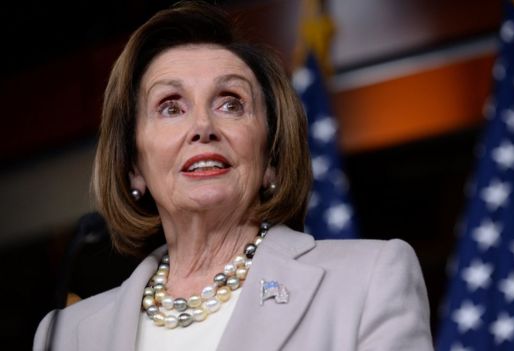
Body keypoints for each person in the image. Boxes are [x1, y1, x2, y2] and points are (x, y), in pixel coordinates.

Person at [33, 1, 433, 350]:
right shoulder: (65, 334)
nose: (202, 126)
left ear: (271, 155)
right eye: (171, 107)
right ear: (134, 166)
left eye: (231, 104)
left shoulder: (367, 280)